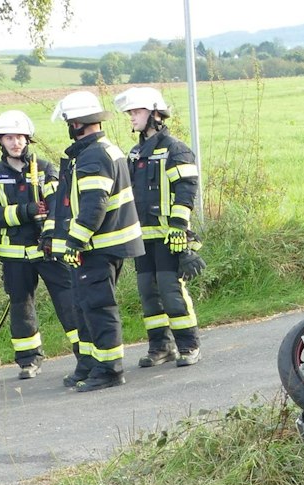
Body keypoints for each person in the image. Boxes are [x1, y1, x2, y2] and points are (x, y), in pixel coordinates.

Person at [45, 90, 142, 392]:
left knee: (98, 308)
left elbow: (93, 206)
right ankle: (88, 364)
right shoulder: (97, 151)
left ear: (76, 123)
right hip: (100, 245)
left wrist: (74, 241)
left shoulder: (93, 155)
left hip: (98, 246)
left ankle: (109, 369)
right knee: (84, 306)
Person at [0, 110, 77, 381]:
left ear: (28, 139)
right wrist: (26, 211)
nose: (16, 143)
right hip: (13, 254)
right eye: (9, 138)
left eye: (20, 137)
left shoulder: (44, 169)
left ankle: (85, 352)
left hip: (47, 249)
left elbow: (57, 205)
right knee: (21, 307)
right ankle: (28, 360)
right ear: (0, 141)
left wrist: (50, 233)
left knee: (68, 300)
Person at [115, 86, 202, 368]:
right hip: (142, 238)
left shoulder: (176, 149)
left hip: (168, 236)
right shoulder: (135, 153)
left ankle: (188, 345)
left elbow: (186, 191)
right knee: (148, 294)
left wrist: (179, 228)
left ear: (154, 113)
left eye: (136, 111)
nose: (131, 117)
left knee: (170, 292)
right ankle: (160, 347)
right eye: (130, 112)